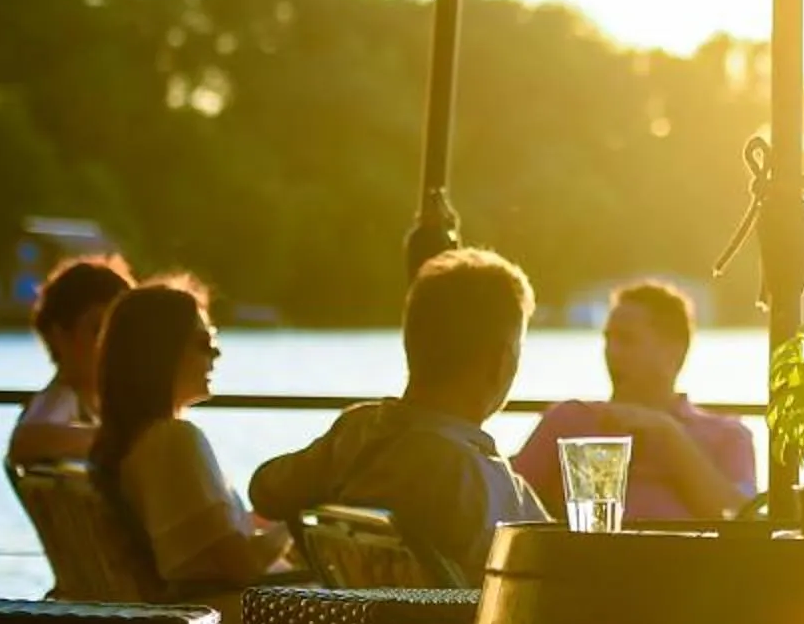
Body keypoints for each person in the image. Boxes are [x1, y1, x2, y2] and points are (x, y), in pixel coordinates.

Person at [249, 248, 550, 575]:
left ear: (412, 345)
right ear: (501, 362)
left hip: (363, 623)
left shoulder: (356, 433)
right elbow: (557, 572)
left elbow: (264, 490)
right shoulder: (482, 481)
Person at [89, 280, 292, 592]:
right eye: (203, 342)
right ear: (161, 352)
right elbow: (243, 567)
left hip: (189, 614)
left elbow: (198, 539)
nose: (217, 353)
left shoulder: (135, 443)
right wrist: (296, 517)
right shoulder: (174, 442)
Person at [512, 281, 754, 523]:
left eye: (627, 340)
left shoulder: (727, 436)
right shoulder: (570, 421)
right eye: (609, 339)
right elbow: (507, 501)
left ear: (674, 352)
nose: (612, 352)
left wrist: (669, 435)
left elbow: (740, 519)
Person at [8, 256, 130, 466]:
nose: (113, 345)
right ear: (60, 336)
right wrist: (130, 443)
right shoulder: (59, 403)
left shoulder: (94, 405)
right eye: (98, 330)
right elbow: (25, 442)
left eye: (122, 331)